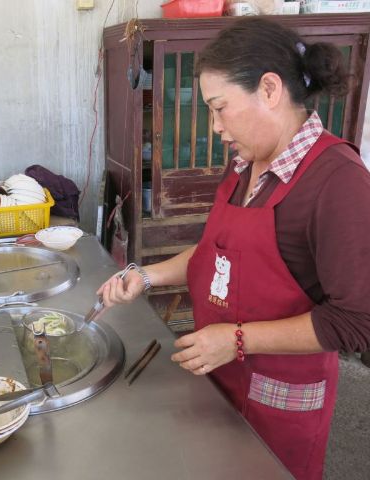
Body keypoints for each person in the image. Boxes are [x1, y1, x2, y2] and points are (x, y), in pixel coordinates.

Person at [97, 17, 370, 480]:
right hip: (219, 376)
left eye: (221, 107)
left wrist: (237, 339)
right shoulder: (246, 164)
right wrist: (145, 275)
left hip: (279, 397)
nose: (217, 126)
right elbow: (215, 254)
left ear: (269, 88)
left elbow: (357, 321)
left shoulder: (338, 181)